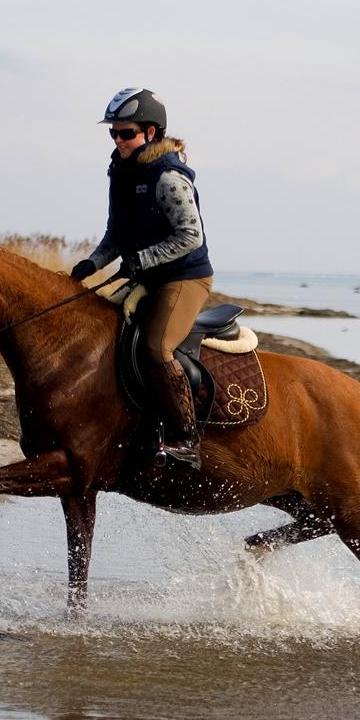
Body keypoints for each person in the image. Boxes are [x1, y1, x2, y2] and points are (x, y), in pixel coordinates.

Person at [71, 87, 214, 469]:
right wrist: (93, 262)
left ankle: (186, 438)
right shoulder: (120, 173)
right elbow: (115, 234)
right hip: (147, 276)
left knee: (155, 348)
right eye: (113, 133)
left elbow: (190, 236)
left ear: (151, 133)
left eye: (126, 133)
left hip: (183, 278)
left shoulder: (168, 177)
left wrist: (143, 258)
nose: (118, 140)